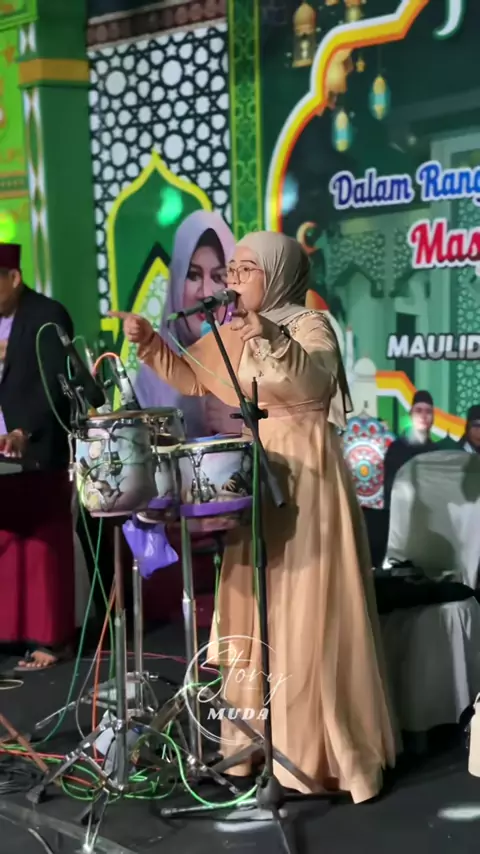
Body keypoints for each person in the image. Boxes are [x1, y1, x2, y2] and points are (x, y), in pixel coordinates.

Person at [111, 231, 397, 803]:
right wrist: (150, 344)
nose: (233, 280)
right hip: (258, 473)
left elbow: (311, 380)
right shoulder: (234, 329)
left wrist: (266, 332)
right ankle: (253, 741)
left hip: (308, 474)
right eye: (232, 271)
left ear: (278, 272)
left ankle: (314, 753)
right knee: (254, 604)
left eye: (245, 270)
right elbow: (192, 376)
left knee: (306, 606)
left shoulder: (308, 325)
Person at [0, 243, 75, 671]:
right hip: (3, 454)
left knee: (44, 545)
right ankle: (11, 634)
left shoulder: (47, 316)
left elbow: (56, 387)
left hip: (38, 449)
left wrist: (25, 432)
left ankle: (51, 639)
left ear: (13, 278)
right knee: (9, 545)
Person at [135, 210, 238, 437]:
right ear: (176, 281)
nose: (206, 293)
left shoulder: (254, 358)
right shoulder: (152, 377)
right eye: (193, 275)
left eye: (218, 277)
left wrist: (245, 427)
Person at [383, 390, 437, 509]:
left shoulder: (435, 452)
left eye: (428, 411)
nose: (423, 416)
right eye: (418, 411)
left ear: (433, 417)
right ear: (410, 414)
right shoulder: (396, 449)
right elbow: (390, 489)